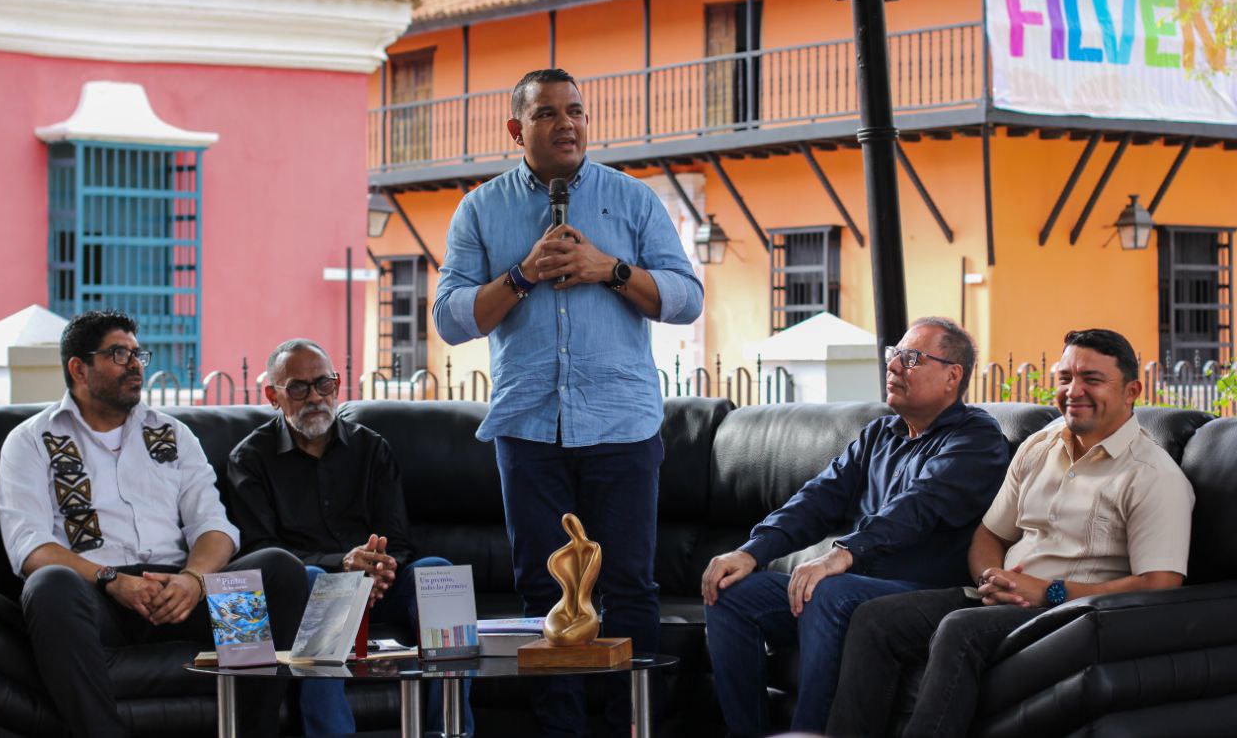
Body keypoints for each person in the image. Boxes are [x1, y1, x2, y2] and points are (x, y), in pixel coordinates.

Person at [433, 68, 704, 736]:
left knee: (629, 590)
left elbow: (687, 297)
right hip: (528, 429)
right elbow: (449, 318)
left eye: (576, 111)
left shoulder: (633, 201)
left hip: (622, 426)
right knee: (544, 592)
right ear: (516, 129)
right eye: (548, 113)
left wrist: (607, 269)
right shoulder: (480, 208)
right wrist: (523, 274)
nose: (567, 124)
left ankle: (628, 727)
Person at [827, 328, 1195, 738]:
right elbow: (989, 534)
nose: (1074, 391)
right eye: (1065, 377)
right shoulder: (1039, 446)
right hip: (1001, 597)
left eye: (1092, 379)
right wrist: (991, 577)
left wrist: (1048, 592)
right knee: (875, 619)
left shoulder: (1153, 476)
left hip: (1070, 614)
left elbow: (1161, 584)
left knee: (958, 629)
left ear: (1132, 391)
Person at [0, 310, 307, 738]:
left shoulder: (174, 434)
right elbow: (29, 545)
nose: (136, 364)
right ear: (78, 367)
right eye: (119, 354)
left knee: (279, 568)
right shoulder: (31, 440)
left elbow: (213, 527)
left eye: (138, 353)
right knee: (48, 585)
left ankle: (250, 729)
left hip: (180, 594)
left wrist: (194, 581)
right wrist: (112, 581)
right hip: (97, 597)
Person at [701, 317, 1011, 737]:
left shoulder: (977, 439)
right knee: (730, 590)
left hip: (920, 594)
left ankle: (808, 734)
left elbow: (917, 506)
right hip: (853, 590)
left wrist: (843, 553)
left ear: (952, 376)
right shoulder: (880, 434)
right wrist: (751, 551)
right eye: (894, 355)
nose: (894, 366)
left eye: (911, 358)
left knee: (827, 590)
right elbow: (817, 498)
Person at [227, 338, 472, 736]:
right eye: (299, 388)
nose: (315, 397)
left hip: (377, 590)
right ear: (273, 395)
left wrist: (379, 571)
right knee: (309, 581)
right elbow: (260, 551)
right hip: (308, 591)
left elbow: (399, 541)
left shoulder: (371, 448)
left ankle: (450, 731)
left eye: (325, 384)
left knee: (439, 575)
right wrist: (341, 569)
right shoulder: (249, 459)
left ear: (338, 386)